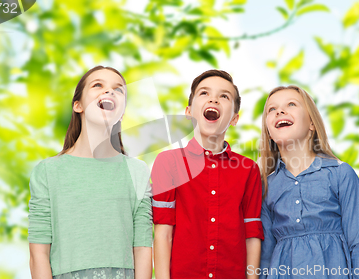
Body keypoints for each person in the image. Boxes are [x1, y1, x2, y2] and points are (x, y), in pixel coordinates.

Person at [28, 66, 153, 279]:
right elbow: (38, 253)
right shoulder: (47, 171)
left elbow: (142, 249)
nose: (109, 92)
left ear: (122, 111)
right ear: (78, 105)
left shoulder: (138, 172)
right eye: (98, 85)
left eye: (118, 89)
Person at [152, 69, 264, 279]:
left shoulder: (248, 169)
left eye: (224, 96)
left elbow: (252, 234)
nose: (214, 98)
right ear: (188, 112)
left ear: (234, 119)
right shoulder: (168, 163)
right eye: (204, 93)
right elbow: (163, 233)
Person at [258, 85, 359, 279]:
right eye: (272, 109)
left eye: (291, 104)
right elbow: (265, 256)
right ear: (269, 132)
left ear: (312, 123)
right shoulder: (265, 187)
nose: (279, 111)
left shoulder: (340, 174)